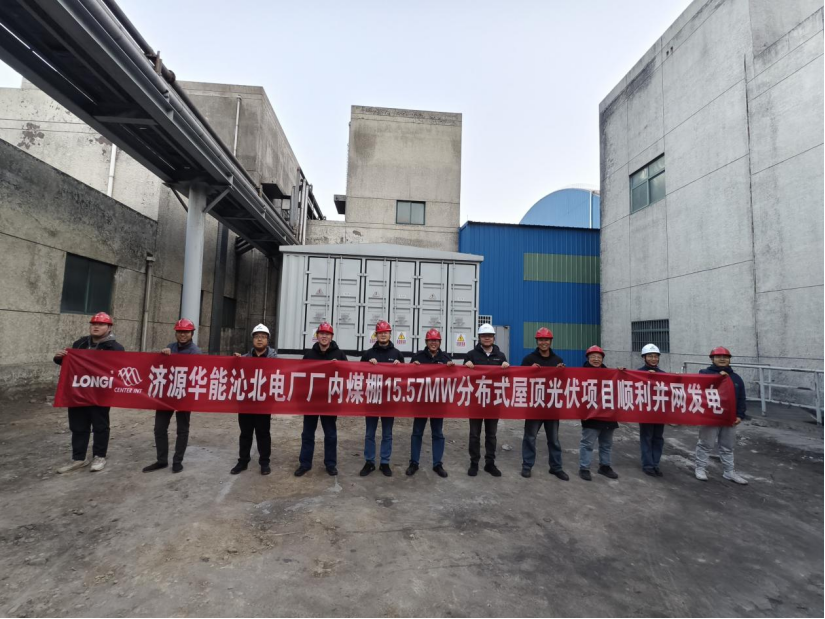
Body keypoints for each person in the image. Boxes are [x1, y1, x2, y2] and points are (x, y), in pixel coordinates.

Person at [53, 312, 125, 473]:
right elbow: (71, 365)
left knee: (100, 426)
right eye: (94, 324)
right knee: (78, 425)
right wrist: (59, 358)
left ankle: (99, 456)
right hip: (78, 392)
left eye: (101, 324)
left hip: (100, 394)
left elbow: (119, 370)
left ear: (109, 327)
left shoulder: (115, 348)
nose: (96, 327)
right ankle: (79, 458)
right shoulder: (80, 344)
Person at [143, 319, 201, 474]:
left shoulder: (195, 351)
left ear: (191, 334)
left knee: (182, 429)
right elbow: (160, 368)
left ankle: (177, 461)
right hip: (167, 393)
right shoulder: (170, 347)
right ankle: (161, 460)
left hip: (184, 394)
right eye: (180, 332)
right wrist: (162, 355)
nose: (183, 335)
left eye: (186, 332)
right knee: (159, 428)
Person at [295, 322, 348, 477]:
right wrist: (300, 400)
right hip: (311, 402)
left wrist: (338, 367)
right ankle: (305, 464)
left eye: (327, 334)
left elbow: (347, 376)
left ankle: (330, 464)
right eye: (321, 333)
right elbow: (300, 378)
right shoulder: (309, 355)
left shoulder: (339, 355)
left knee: (330, 434)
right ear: (317, 336)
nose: (324, 336)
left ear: (331, 337)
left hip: (330, 403)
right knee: (307, 434)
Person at [695, 347, 749, 485]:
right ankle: (700, 468)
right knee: (705, 444)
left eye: (725, 357)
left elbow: (741, 398)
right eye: (718, 356)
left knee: (727, 446)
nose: (722, 359)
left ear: (729, 359)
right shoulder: (704, 374)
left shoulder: (736, 378)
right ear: (712, 359)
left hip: (729, 418)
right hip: (710, 417)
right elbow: (697, 389)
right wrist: (718, 377)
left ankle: (729, 472)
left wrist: (740, 415)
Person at [521, 327, 569, 481]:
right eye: (541, 340)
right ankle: (527, 466)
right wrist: (528, 371)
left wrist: (561, 372)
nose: (544, 342)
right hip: (534, 406)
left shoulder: (557, 360)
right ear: (537, 341)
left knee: (554, 439)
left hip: (551, 406)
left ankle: (556, 467)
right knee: (530, 437)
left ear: (550, 341)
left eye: (546, 340)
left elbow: (563, 383)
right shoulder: (529, 360)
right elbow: (520, 380)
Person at [406, 329, 454, 479]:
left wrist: (452, 369)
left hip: (438, 403)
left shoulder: (446, 358)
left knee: (438, 433)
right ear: (426, 342)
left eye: (436, 340)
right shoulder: (418, 357)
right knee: (417, 433)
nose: (434, 343)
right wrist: (412, 366)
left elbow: (454, 379)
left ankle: (437, 464)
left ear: (440, 342)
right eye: (431, 340)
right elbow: (407, 376)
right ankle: (414, 462)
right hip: (421, 402)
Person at [231, 324, 277, 476]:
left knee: (263, 433)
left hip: (264, 403)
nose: (260, 339)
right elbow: (232, 376)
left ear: (268, 340)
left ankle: (264, 462)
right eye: (257, 337)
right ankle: (243, 461)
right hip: (246, 402)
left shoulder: (274, 360)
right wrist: (235, 362)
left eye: (263, 337)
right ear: (252, 340)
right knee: (245, 433)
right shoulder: (244, 358)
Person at [464, 323, 510, 477]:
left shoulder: (500, 356)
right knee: (474, 435)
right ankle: (474, 463)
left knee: (491, 435)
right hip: (476, 401)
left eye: (489, 335)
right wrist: (465, 366)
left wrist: (506, 368)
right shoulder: (471, 355)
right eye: (484, 336)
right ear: (479, 338)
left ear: (493, 338)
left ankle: (490, 464)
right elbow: (463, 376)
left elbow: (506, 379)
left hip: (493, 402)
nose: (487, 338)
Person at [359, 321, 404, 477]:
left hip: (389, 401)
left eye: (386, 332)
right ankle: (369, 462)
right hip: (372, 399)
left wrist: (400, 366)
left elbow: (404, 378)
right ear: (376, 335)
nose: (383, 335)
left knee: (387, 434)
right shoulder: (368, 354)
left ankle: (385, 462)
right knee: (369, 433)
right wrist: (368, 365)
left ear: (390, 334)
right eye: (380, 332)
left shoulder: (397, 354)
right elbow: (360, 375)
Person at [578, 346, 619, 481]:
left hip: (608, 415)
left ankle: (605, 466)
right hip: (590, 415)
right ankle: (584, 468)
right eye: (593, 357)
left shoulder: (610, 374)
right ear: (588, 358)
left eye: (599, 357)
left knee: (606, 444)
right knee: (587, 443)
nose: (596, 359)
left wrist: (621, 373)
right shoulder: (581, 373)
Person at [638, 343, 666, 477]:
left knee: (658, 438)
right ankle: (648, 465)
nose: (653, 359)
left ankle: (655, 464)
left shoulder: (664, 375)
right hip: (645, 412)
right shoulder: (638, 373)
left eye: (655, 356)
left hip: (659, 412)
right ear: (644, 358)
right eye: (650, 356)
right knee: (647, 437)